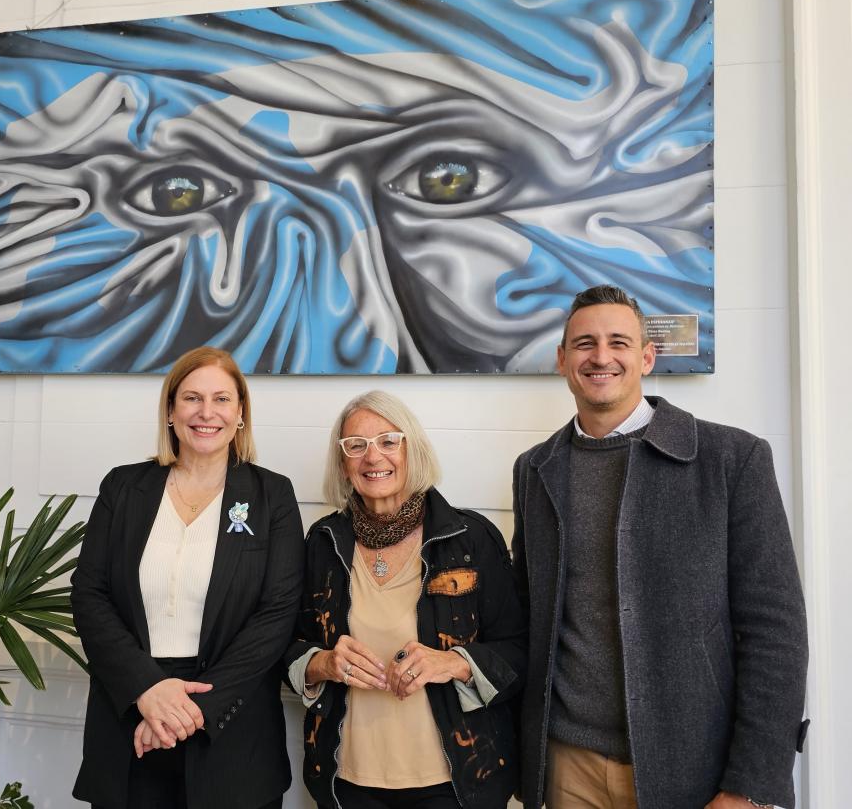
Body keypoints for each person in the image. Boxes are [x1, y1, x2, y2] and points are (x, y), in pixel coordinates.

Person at [512, 285, 809, 809]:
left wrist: (750, 784)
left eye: (618, 342)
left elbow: (775, 632)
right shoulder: (534, 468)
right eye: (584, 343)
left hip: (692, 767)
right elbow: (525, 613)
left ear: (647, 357)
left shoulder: (732, 459)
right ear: (562, 360)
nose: (601, 357)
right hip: (566, 764)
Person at [70, 346, 304, 809]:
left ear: (240, 413)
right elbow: (90, 594)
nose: (206, 412)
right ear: (171, 411)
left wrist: (193, 709)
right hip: (132, 717)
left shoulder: (272, 494)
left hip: (233, 729)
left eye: (221, 399)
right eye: (192, 398)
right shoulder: (123, 487)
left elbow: (277, 614)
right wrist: (147, 688)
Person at [285, 390, 526, 809]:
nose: (372, 457)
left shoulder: (469, 539)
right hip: (347, 781)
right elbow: (286, 645)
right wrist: (323, 663)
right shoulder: (323, 542)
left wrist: (453, 663)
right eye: (356, 445)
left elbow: (520, 652)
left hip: (457, 782)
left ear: (412, 450)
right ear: (342, 463)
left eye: (388, 441)